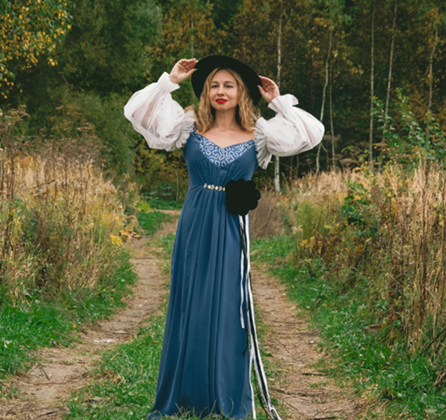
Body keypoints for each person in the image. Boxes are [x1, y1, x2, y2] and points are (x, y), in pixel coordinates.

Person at [124, 55, 324, 419]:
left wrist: (277, 102)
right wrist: (171, 81)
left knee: (230, 307)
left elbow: (309, 134)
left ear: (241, 92)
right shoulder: (188, 126)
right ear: (205, 91)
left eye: (228, 85)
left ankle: (225, 396)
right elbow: (139, 112)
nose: (220, 91)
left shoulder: (260, 134)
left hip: (233, 229)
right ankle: (186, 395)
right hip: (195, 226)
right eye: (214, 84)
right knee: (191, 305)